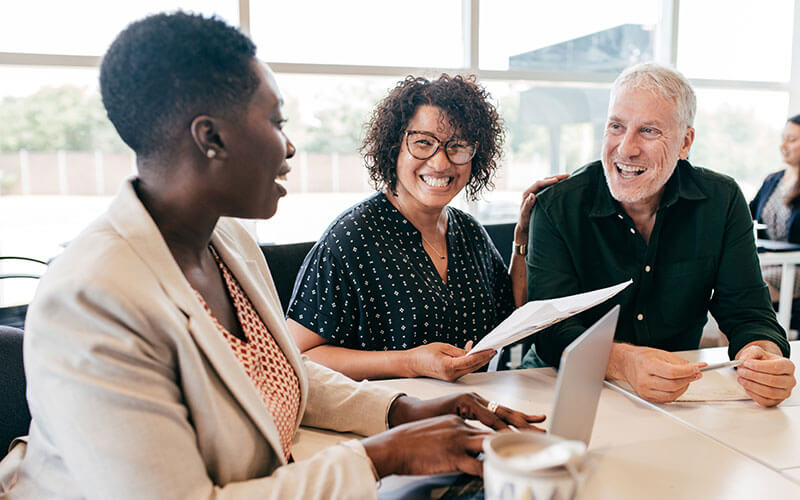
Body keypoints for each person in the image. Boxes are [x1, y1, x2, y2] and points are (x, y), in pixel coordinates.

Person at [0, 12, 546, 499]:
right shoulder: (92, 296)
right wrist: (385, 455)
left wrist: (405, 412)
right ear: (211, 137)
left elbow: (288, 374)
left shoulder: (227, 241)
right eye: (276, 122)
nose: (288, 147)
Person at [520, 62, 796, 407]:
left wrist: (761, 355)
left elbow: (749, 313)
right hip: (561, 382)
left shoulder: (721, 200)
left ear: (685, 142)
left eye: (649, 131)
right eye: (616, 127)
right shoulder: (557, 206)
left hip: (676, 392)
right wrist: (624, 362)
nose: (626, 148)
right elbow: (551, 331)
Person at [287, 74, 565, 381]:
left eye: (458, 146)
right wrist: (409, 362)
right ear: (394, 147)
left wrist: (523, 238)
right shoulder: (351, 238)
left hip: (470, 410)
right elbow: (300, 355)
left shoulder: (469, 232)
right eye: (423, 143)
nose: (441, 163)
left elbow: (511, 312)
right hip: (386, 418)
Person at [750, 115, 800, 311]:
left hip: (795, 266)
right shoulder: (773, 180)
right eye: (783, 138)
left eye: (792, 140)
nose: (784, 146)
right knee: (730, 284)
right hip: (771, 261)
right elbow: (747, 214)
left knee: (747, 290)